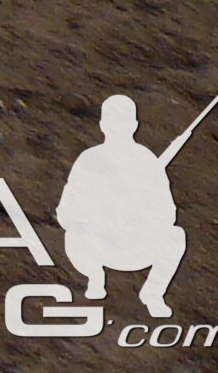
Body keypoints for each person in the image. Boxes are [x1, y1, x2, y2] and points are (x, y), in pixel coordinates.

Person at [58, 94, 193, 318]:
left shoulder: (147, 161)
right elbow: (65, 212)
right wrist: (97, 217)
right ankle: (94, 277)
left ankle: (153, 294)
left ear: (133, 126)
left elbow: (168, 214)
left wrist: (137, 214)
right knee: (73, 235)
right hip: (97, 247)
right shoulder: (89, 160)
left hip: (137, 246)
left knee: (175, 236)